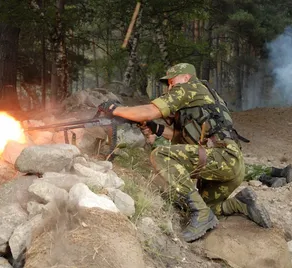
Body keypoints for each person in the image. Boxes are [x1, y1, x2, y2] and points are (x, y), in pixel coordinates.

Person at [98, 63, 272, 242]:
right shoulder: (202, 99)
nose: (171, 87)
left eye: (173, 82)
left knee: (161, 155)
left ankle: (201, 214)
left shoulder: (189, 88)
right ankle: (241, 204)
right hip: (229, 163)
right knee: (201, 206)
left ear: (186, 78)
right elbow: (182, 138)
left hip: (222, 157)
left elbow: (150, 111)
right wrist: (154, 128)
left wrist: (116, 109)